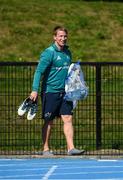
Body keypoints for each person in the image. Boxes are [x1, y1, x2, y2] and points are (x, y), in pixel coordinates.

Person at [30, 26, 85, 156]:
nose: (63, 38)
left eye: (65, 36)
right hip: (50, 92)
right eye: (60, 36)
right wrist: (34, 90)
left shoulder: (67, 53)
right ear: (55, 37)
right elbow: (39, 71)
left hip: (65, 93)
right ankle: (46, 149)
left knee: (68, 118)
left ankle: (71, 148)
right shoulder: (49, 53)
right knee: (49, 120)